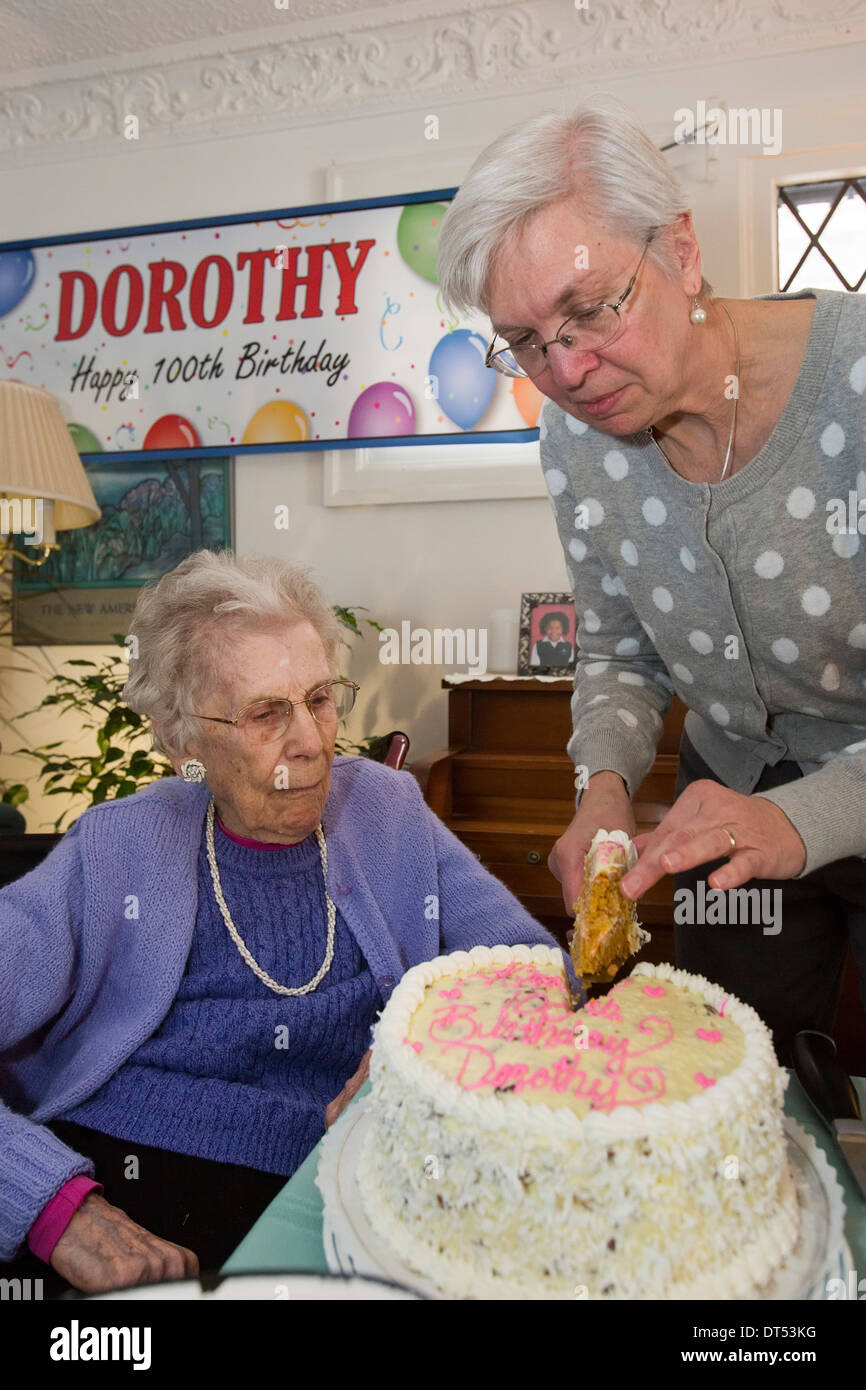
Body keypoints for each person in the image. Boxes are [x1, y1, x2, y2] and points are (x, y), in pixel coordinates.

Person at [0, 549, 563, 1297]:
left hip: (346, 1175)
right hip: (129, 1175)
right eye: (267, 713)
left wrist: (417, 1053)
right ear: (182, 742)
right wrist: (46, 1204)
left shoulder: (386, 810)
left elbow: (530, 969)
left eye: (321, 699)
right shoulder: (116, 847)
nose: (312, 740)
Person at [437, 94, 866, 1066]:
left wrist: (795, 821)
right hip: (724, 810)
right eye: (526, 341)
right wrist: (600, 789)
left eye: (589, 310)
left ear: (679, 251)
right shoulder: (573, 441)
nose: (569, 368)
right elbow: (619, 648)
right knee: (727, 1074)